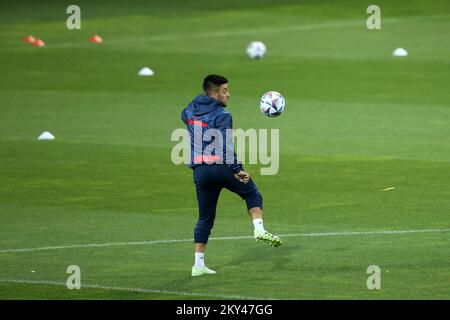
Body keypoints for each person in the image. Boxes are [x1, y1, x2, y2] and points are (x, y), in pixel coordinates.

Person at [181, 74, 282, 277]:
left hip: (200, 171)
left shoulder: (190, 109)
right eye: (225, 90)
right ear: (214, 92)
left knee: (205, 218)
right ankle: (259, 228)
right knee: (252, 193)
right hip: (220, 167)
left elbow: (184, 116)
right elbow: (225, 146)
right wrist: (238, 169)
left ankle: (198, 265)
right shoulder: (223, 115)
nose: (229, 94)